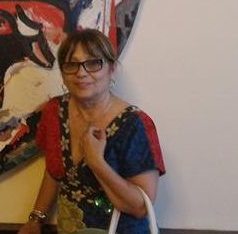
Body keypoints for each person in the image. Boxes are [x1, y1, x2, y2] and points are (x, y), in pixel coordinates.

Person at [19, 29, 165, 234]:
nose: (81, 73)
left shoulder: (135, 124)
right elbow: (53, 171)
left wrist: (96, 162)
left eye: (94, 63)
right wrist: (36, 219)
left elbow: (140, 207)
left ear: (111, 69)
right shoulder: (54, 112)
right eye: (72, 65)